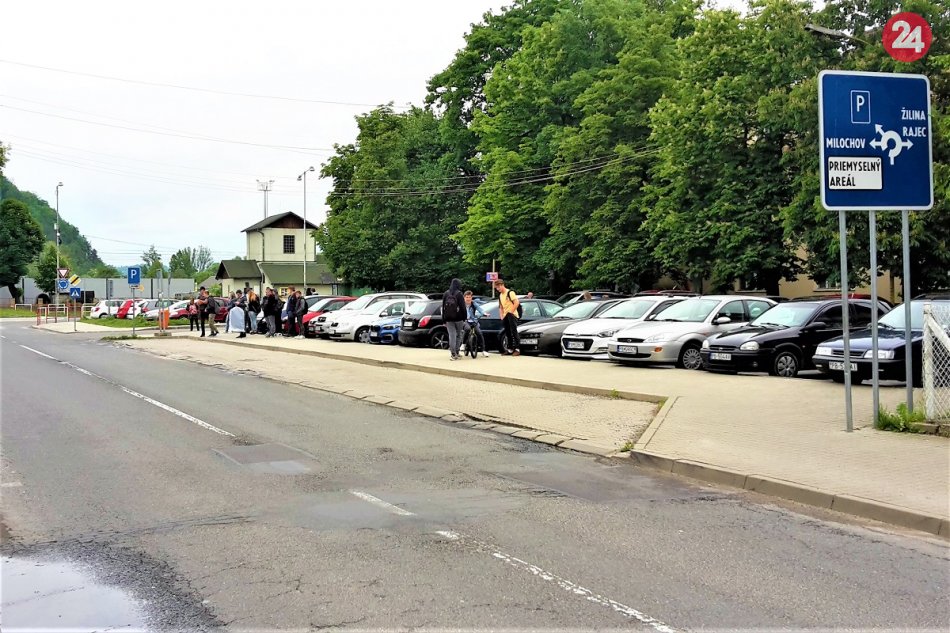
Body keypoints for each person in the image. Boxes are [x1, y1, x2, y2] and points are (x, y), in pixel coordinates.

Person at [494, 278, 520, 356]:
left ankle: (517, 349)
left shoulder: (510, 292)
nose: (498, 289)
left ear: (502, 285)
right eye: (496, 288)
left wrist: (511, 312)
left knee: (513, 331)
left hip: (512, 314)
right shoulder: (500, 295)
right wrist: (501, 316)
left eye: (498, 287)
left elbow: (516, 303)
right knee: (507, 332)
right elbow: (501, 307)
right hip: (505, 316)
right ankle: (510, 349)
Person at [442, 278, 466, 360]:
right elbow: (463, 307)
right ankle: (457, 352)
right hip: (459, 318)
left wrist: (444, 320)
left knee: (452, 335)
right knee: (459, 335)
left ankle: (453, 353)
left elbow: (443, 307)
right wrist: (464, 318)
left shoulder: (446, 293)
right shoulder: (459, 294)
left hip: (448, 318)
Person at [462, 290, 489, 358]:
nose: (468, 299)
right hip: (465, 320)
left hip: (473, 320)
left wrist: (484, 313)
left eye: (469, 297)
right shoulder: (461, 304)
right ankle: (463, 344)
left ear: (471, 298)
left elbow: (480, 309)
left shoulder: (473, 303)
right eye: (466, 297)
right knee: (467, 329)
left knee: (479, 333)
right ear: (464, 297)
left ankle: (483, 350)